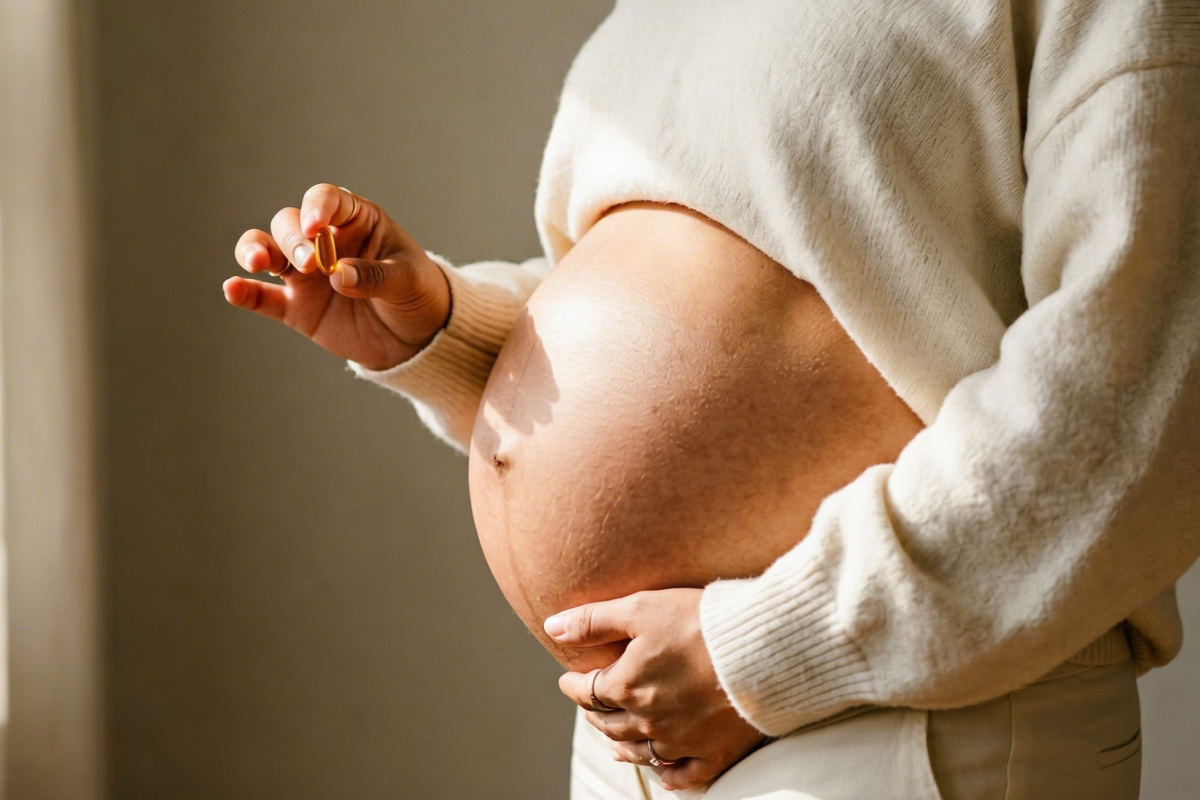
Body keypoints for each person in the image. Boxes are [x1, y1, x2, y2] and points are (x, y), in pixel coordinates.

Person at [226, 1, 1200, 797]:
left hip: (894, 706)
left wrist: (765, 650)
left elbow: (1132, 395)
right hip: (645, 729)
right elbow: (714, 289)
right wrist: (443, 330)